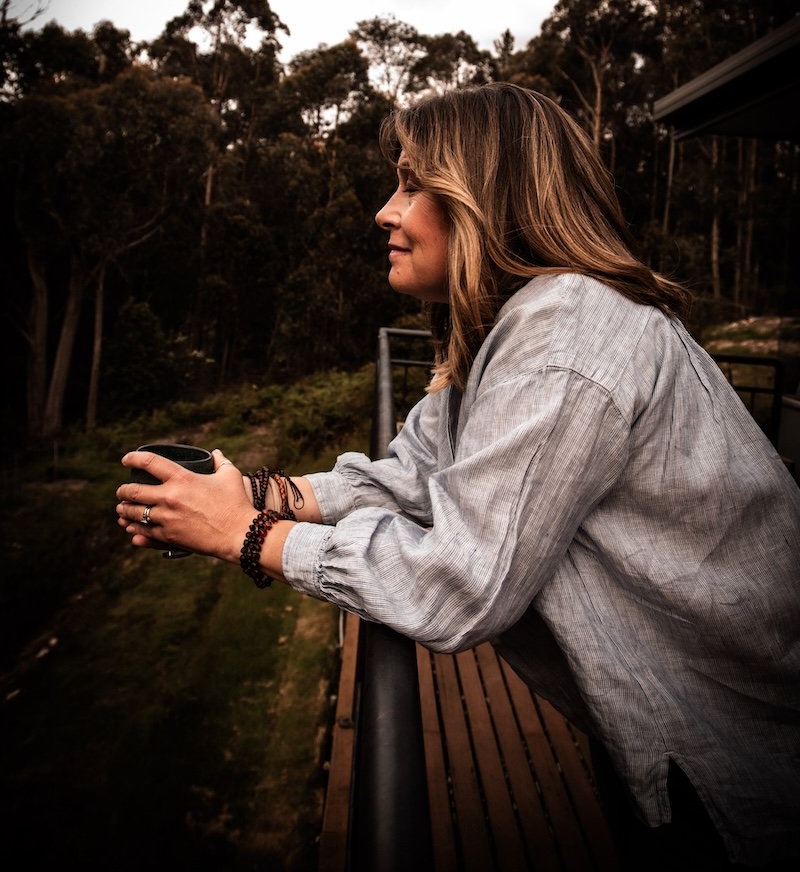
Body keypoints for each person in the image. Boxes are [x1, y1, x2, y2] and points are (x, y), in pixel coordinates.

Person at [117, 82, 800, 870]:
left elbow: (462, 583)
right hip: (659, 738)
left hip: (738, 774)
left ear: (488, 198)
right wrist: (260, 494)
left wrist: (246, 536)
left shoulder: (568, 332)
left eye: (413, 183)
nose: (385, 210)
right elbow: (412, 473)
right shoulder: (513, 333)